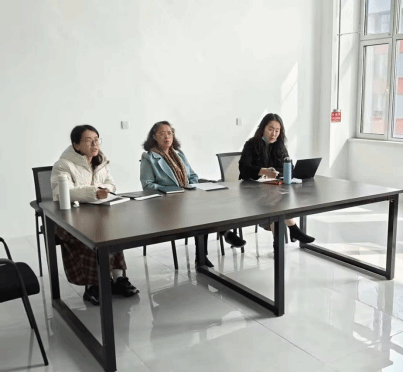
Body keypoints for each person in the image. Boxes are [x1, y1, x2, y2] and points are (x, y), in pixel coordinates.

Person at [51, 125, 139, 306]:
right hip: (69, 219)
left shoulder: (101, 161)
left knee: (113, 232)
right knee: (92, 236)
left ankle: (118, 279)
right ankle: (94, 286)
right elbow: (62, 192)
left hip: (98, 213)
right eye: (89, 140)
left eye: (97, 139)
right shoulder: (63, 165)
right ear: (76, 145)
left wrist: (104, 190)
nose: (95, 144)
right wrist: (94, 192)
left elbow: (111, 184)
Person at [139, 121, 246, 268]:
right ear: (154, 137)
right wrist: (174, 189)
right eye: (162, 133)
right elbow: (147, 185)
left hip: (187, 197)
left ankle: (204, 254)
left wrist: (192, 187)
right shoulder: (149, 158)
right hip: (167, 204)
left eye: (169, 133)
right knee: (201, 213)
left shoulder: (178, 154)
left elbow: (193, 176)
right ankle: (222, 237)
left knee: (207, 207)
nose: (167, 137)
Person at [239, 113, 316, 244]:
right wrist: (262, 171)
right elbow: (244, 169)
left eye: (277, 130)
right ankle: (293, 230)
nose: (273, 134)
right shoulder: (251, 144)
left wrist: (275, 172)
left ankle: (279, 245)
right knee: (276, 206)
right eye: (270, 129)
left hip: (273, 189)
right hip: (252, 191)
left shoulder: (280, 145)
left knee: (278, 203)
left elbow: (288, 167)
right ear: (263, 128)